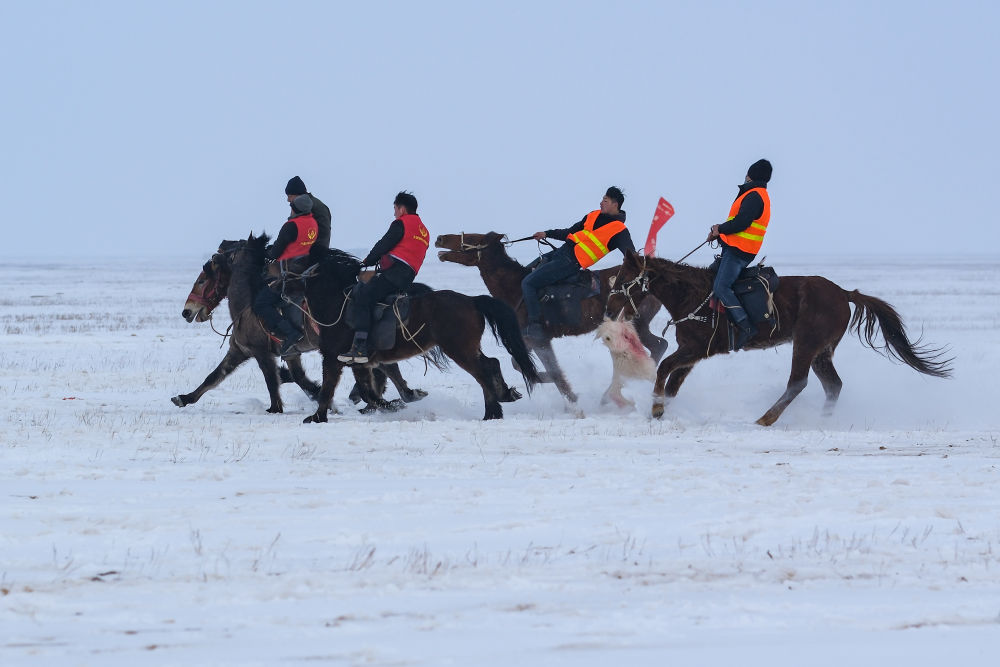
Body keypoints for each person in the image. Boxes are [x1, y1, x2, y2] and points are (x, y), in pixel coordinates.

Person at [520, 186, 635, 342]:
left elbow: (631, 255)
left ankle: (535, 327)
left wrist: (639, 262)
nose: (601, 203)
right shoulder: (593, 215)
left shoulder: (620, 231)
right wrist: (547, 233)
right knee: (527, 272)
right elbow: (570, 232)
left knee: (528, 283)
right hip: (559, 252)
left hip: (570, 263)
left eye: (605, 200)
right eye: (602, 199)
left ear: (615, 204)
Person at [338, 191, 429, 364]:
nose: (394, 212)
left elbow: (384, 244)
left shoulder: (401, 224)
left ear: (402, 209)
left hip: (393, 275)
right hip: (408, 277)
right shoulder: (424, 231)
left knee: (363, 295)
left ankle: (359, 347)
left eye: (395, 208)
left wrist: (367, 261)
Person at [707, 158, 773, 350]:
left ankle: (746, 327)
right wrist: (719, 235)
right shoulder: (756, 194)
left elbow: (741, 223)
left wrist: (720, 228)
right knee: (710, 277)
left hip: (739, 252)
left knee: (721, 287)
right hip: (737, 248)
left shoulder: (754, 195)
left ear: (750, 175)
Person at [252, 194, 318, 357]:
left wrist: (263, 255)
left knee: (260, 304)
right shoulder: (313, 223)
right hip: (306, 272)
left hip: (290, 276)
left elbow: (275, 251)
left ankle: (290, 333)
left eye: (291, 207)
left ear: (296, 209)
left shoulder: (291, 226)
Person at [285, 176, 332, 249]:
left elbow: (291, 231)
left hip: (312, 253)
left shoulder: (308, 207)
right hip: (314, 252)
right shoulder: (308, 204)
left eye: (290, 196)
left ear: (298, 194)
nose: (288, 200)